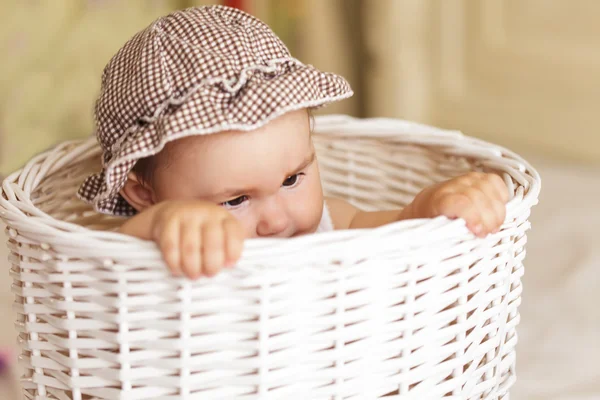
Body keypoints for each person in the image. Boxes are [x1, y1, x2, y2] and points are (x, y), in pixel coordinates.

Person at [78, 5, 508, 280]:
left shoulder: (323, 226)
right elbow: (110, 258)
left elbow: (399, 227)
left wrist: (434, 205)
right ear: (143, 193)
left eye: (291, 180)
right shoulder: (151, 244)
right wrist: (164, 222)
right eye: (234, 201)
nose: (276, 221)